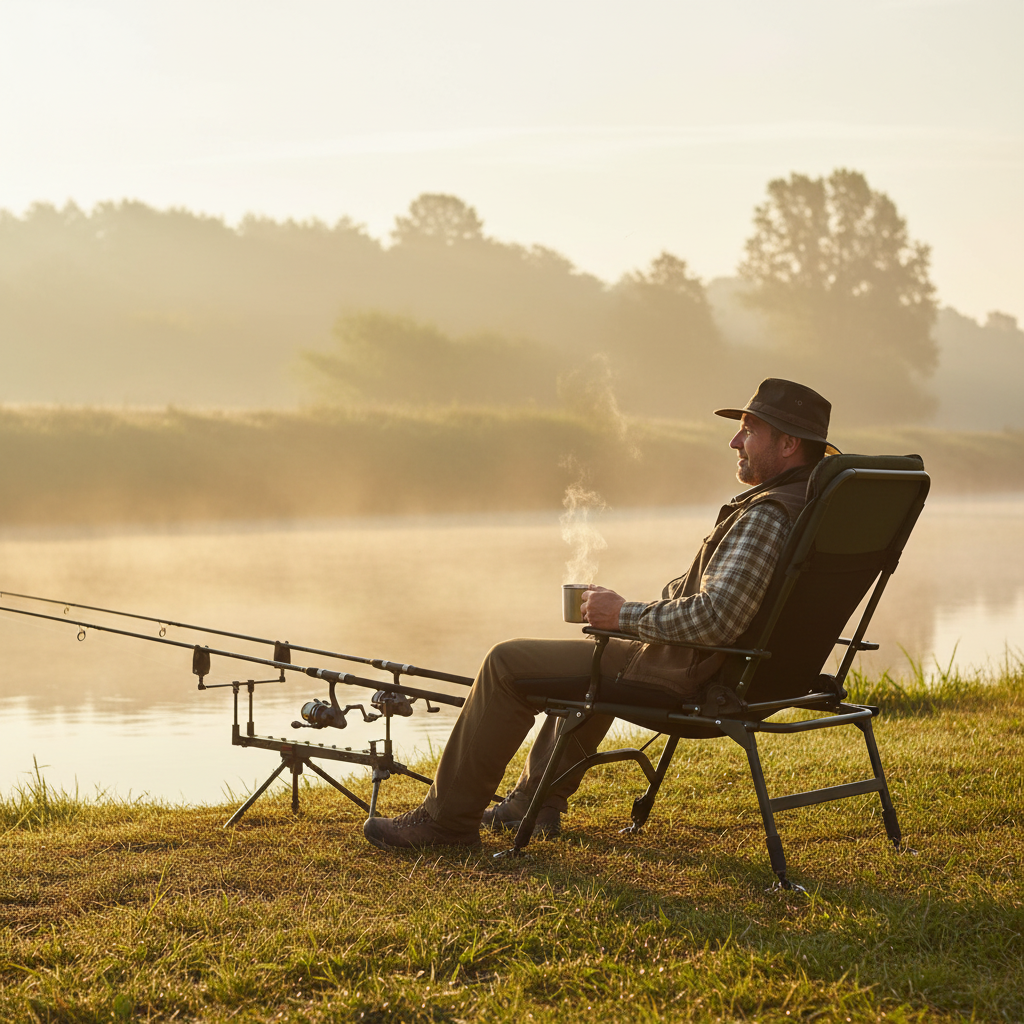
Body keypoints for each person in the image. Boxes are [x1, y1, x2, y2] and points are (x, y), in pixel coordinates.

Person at [363, 378, 838, 850]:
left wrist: (622, 615)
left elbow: (714, 620)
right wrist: (634, 616)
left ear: (789, 443)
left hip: (696, 675)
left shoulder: (768, 515)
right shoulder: (811, 508)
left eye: (750, 430)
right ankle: (534, 804)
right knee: (594, 654)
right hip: (742, 673)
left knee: (506, 663)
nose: (735, 440)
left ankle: (446, 823)